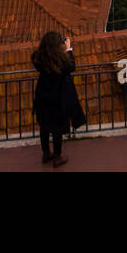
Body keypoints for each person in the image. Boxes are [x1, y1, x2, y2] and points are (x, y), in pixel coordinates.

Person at [32, 31, 86, 167]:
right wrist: (68, 48)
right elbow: (71, 67)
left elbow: (41, 59)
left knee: (44, 126)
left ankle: (46, 154)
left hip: (42, 97)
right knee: (57, 129)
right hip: (58, 99)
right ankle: (57, 157)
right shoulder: (61, 61)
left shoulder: (38, 58)